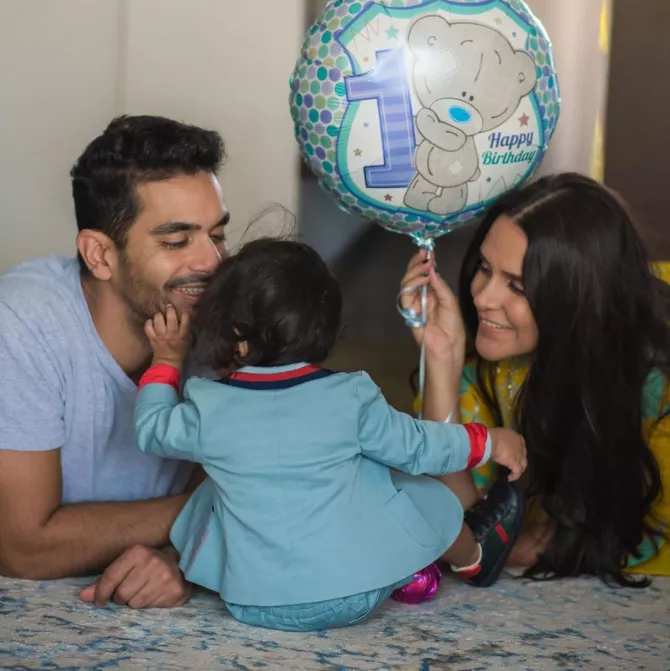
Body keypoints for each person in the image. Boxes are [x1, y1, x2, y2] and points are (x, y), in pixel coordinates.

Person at [133, 237, 528, 632]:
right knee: (404, 481)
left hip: (250, 600)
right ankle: (473, 557)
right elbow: (420, 447)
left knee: (209, 493)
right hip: (355, 594)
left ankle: (403, 568)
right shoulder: (350, 396)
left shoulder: (208, 408)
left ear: (235, 334)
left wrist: (167, 359)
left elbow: (151, 429)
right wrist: (490, 441)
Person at [0, 115, 229, 608]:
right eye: (176, 241)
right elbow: (22, 549)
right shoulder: (20, 323)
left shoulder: (223, 315)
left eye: (217, 235)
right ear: (100, 255)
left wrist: (178, 554)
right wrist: (206, 513)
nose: (212, 263)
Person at [401, 172, 670, 586]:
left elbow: (618, 535)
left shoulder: (654, 387)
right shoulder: (491, 367)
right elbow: (467, 526)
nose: (482, 297)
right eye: (484, 268)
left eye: (517, 286)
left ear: (579, 298)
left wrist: (486, 547)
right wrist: (441, 360)